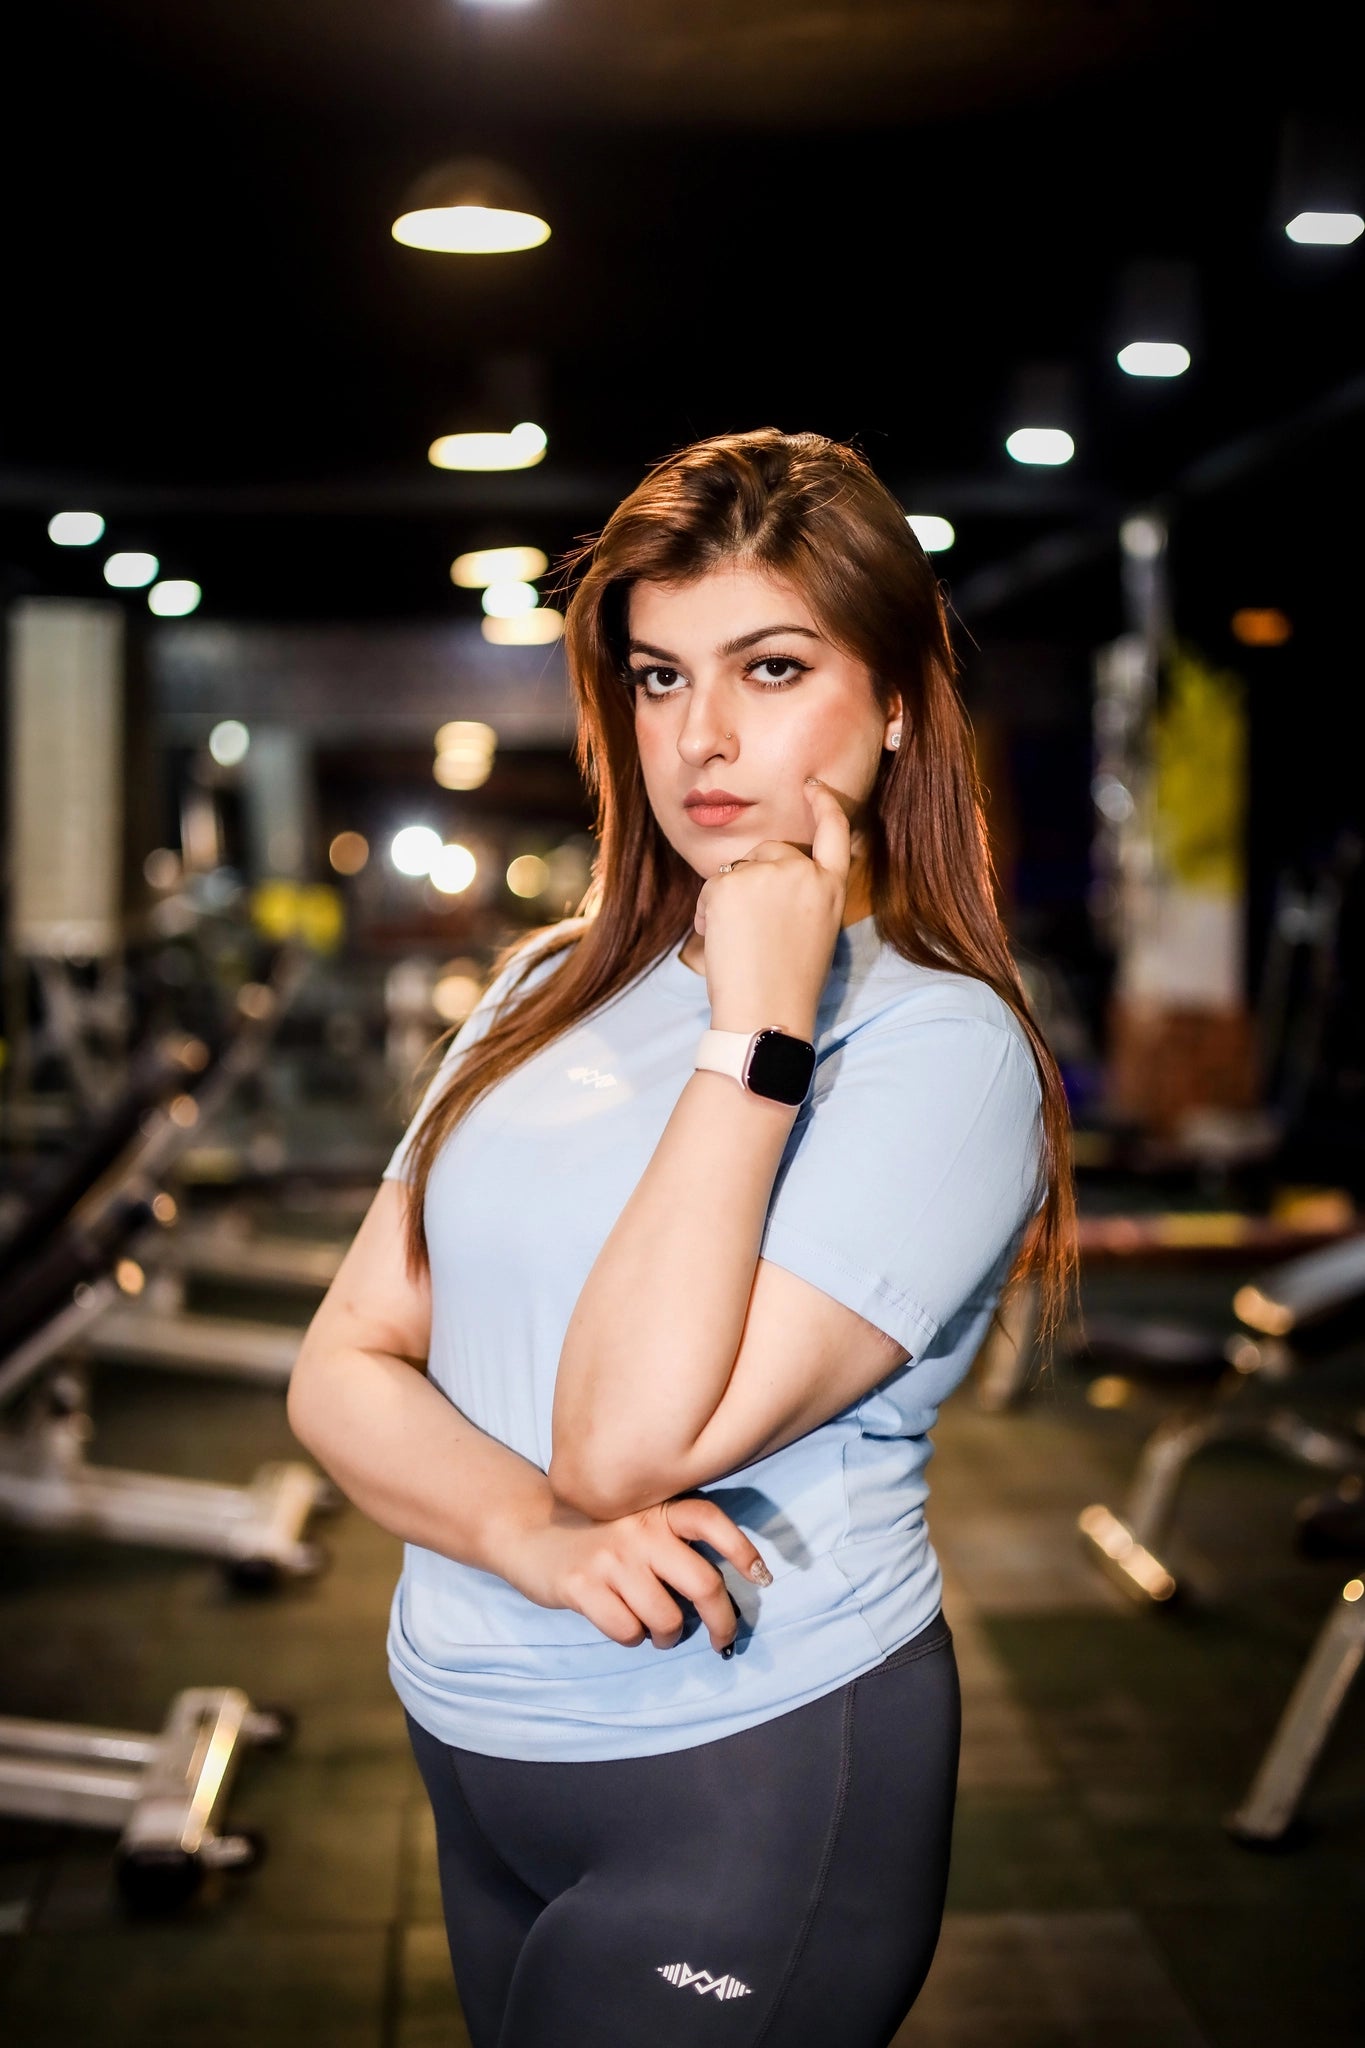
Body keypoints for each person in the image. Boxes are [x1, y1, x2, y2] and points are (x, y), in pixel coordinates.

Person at [288, 428, 1075, 2048]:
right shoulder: (541, 985)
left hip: (746, 1767)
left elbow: (623, 1445)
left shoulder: (945, 1053)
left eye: (770, 668)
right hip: (474, 1733)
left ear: (898, 699)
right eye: (657, 678)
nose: (701, 739)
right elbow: (346, 1364)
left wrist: (759, 1022)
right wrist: (533, 1544)